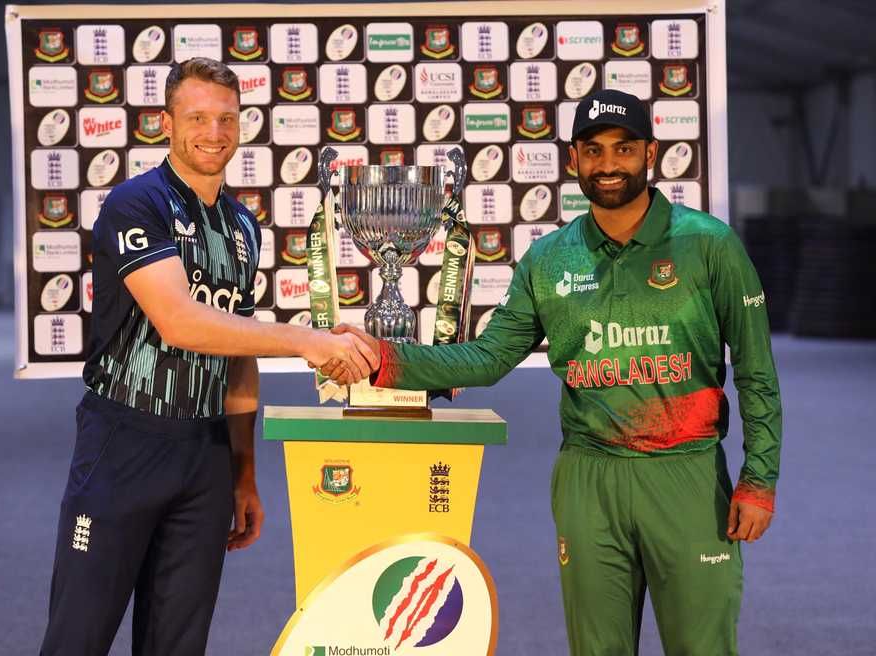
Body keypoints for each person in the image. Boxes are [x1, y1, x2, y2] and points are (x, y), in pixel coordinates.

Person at [321, 88, 782, 656]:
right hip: (588, 478)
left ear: (651, 153)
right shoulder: (549, 258)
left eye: (624, 148)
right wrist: (385, 358)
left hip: (686, 476)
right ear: (573, 160)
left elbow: (757, 372)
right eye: (593, 150)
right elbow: (489, 357)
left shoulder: (709, 245)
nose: (608, 164)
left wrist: (759, 479)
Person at [39, 57, 377, 656]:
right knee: (78, 638)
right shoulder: (135, 204)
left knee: (178, 645)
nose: (213, 132)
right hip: (124, 442)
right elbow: (181, 322)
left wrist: (242, 473)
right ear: (166, 123)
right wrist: (307, 340)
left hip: (205, 455)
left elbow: (236, 352)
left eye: (226, 118)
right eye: (196, 117)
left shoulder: (243, 226)